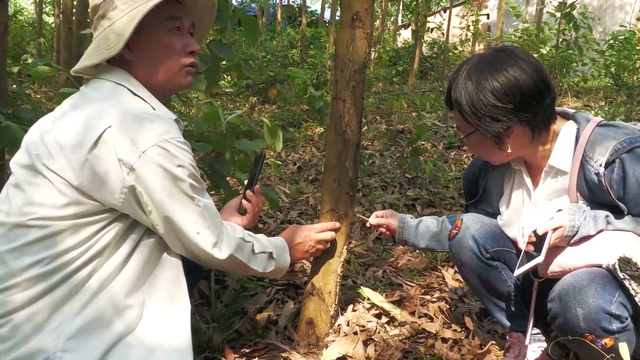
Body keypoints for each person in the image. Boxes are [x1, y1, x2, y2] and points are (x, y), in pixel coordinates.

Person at [0, 0, 341, 359]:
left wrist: (217, 222)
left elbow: (132, 223)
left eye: (192, 32)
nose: (193, 44)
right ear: (127, 42)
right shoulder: (138, 128)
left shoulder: (81, 110)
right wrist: (283, 249)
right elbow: (210, 244)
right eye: (175, 29)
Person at [367, 45, 640, 360]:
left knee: (580, 294)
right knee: (466, 229)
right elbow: (477, 232)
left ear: (505, 129)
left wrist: (584, 223)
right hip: (539, 284)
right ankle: (529, 333)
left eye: (464, 133)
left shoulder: (613, 157)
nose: (465, 145)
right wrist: (404, 226)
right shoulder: (487, 171)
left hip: (604, 293)